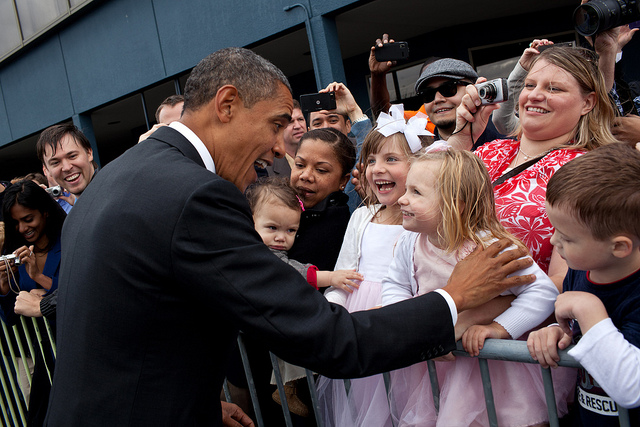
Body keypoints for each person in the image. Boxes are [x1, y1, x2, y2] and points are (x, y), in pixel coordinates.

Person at [45, 47, 534, 427]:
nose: (282, 145)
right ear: (228, 105)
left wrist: (191, 401)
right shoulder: (195, 196)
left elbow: (121, 322)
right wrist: (455, 297)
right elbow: (328, 339)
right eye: (278, 123)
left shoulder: (125, 173)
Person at [380, 149, 557, 426]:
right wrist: (404, 319)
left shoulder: (490, 247)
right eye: (406, 189)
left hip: (493, 370)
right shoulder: (410, 242)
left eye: (416, 192)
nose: (402, 199)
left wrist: (499, 327)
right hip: (435, 366)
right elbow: (395, 284)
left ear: (455, 204)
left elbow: (542, 291)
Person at [450, 45, 618, 286]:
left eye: (554, 88)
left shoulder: (590, 171)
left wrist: (498, 323)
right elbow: (420, 204)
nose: (535, 95)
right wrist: (462, 139)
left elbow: (565, 281)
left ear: (587, 103)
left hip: (517, 317)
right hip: (441, 303)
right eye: (530, 85)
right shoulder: (489, 151)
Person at [316, 104, 429, 426]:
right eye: (372, 160)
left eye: (391, 159)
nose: (377, 168)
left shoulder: (422, 223)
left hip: (399, 324)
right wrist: (331, 321)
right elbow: (343, 274)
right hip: (358, 326)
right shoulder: (362, 216)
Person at [527, 144, 640, 426]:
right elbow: (580, 331)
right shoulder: (581, 272)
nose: (553, 241)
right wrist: (557, 332)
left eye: (567, 237)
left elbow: (632, 387)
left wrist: (589, 309)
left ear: (619, 247)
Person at [245, 176, 362, 417]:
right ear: (250, 222)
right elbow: (293, 272)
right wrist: (331, 278)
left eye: (291, 230)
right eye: (272, 228)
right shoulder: (259, 254)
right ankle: (286, 387)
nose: (281, 237)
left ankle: (287, 386)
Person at [0, 180, 66, 427]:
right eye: (16, 222)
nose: (23, 228)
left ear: (45, 211)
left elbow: (80, 290)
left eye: (28, 219)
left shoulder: (69, 238)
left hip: (75, 345)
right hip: (45, 353)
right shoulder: (18, 252)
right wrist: (5, 288)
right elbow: (11, 317)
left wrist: (39, 277)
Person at [288, 127, 356, 271]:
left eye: (321, 170)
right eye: (300, 165)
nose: (305, 175)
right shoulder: (275, 203)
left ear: (343, 181)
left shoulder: (334, 226)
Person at [36, 123, 96, 201]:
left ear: (89, 153)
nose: (67, 168)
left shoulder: (114, 191)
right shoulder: (74, 207)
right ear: (46, 170)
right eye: (55, 163)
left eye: (72, 156)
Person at [266, 100, 305, 178]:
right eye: (290, 122)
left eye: (300, 119)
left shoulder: (319, 156)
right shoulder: (268, 168)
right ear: (278, 127)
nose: (297, 126)